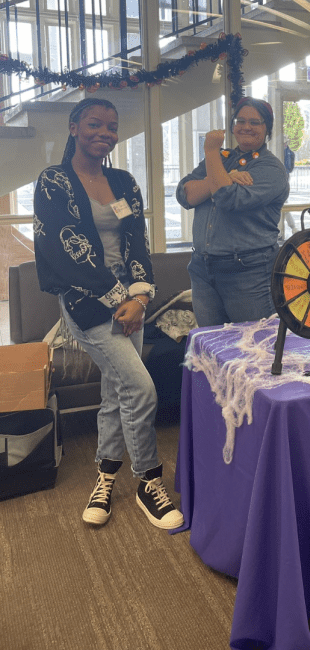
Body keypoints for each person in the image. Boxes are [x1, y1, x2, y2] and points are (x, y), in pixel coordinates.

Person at [33, 98, 183, 530]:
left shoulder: (123, 181)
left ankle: (105, 475)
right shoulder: (54, 181)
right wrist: (121, 297)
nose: (104, 132)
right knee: (141, 389)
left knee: (118, 392)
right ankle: (148, 481)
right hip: (86, 299)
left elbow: (137, 240)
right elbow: (64, 252)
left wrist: (141, 295)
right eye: (94, 124)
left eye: (112, 127)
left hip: (129, 299)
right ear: (74, 126)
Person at [176, 97, 290, 327]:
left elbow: (227, 198)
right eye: (240, 120)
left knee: (255, 348)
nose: (246, 127)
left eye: (255, 122)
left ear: (267, 128)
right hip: (202, 268)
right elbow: (185, 194)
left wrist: (210, 151)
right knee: (212, 346)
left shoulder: (271, 168)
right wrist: (222, 178)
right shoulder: (222, 159)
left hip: (247, 272)